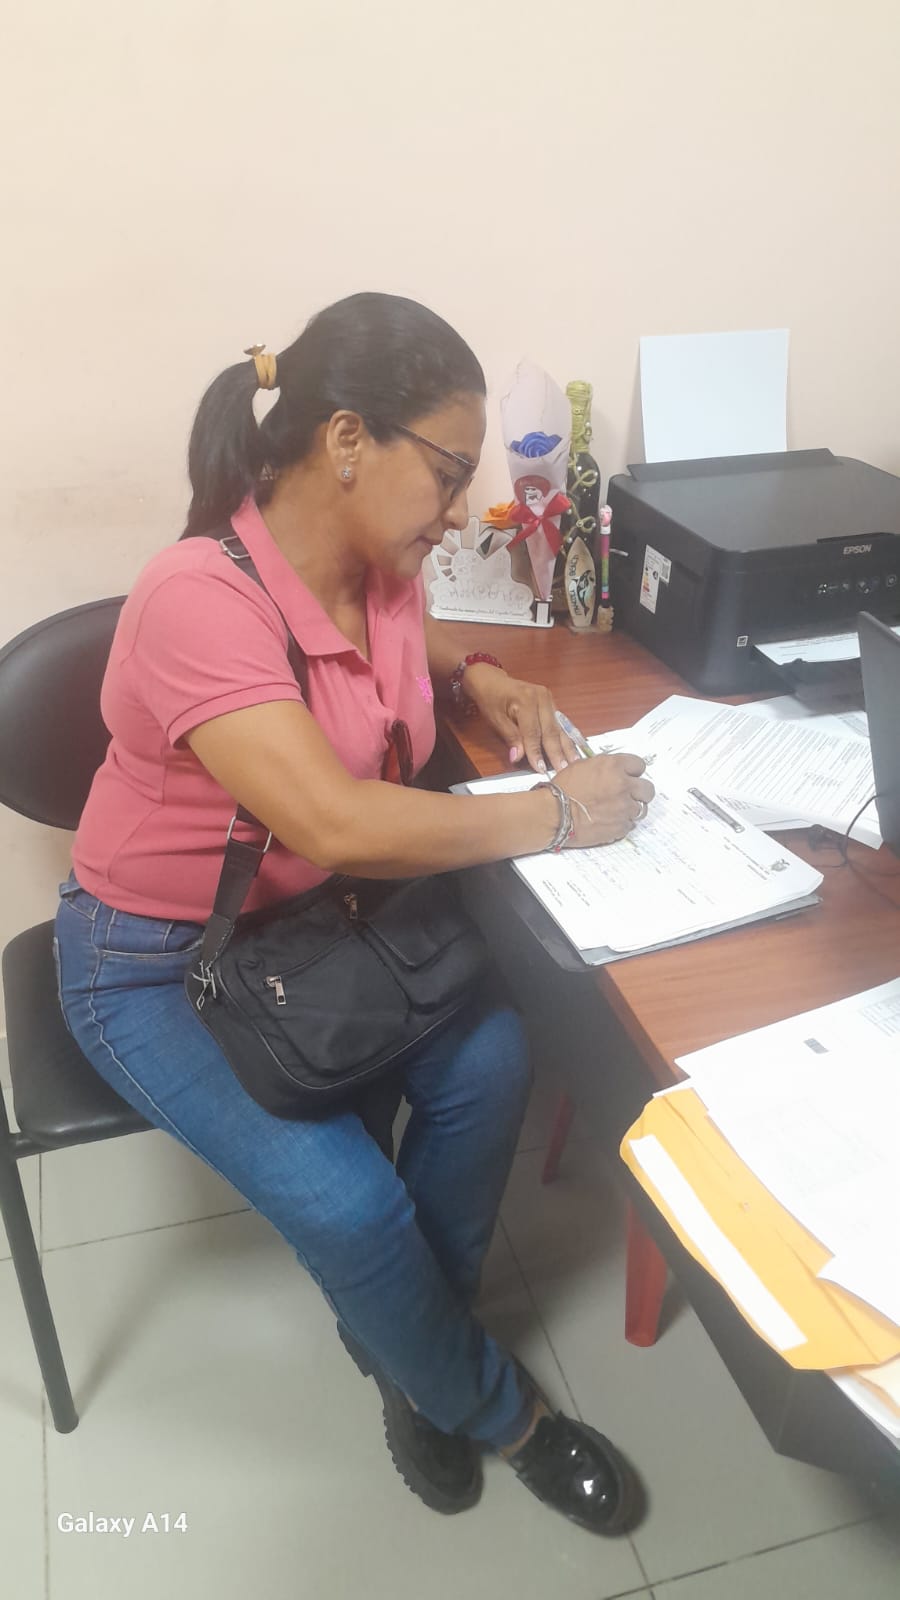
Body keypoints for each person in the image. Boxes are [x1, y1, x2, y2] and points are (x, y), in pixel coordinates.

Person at [54, 292, 655, 1535]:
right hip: (158, 963)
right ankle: (497, 1409)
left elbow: (406, 650)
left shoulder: (378, 569)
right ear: (344, 441)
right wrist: (560, 812)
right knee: (350, 1205)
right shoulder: (195, 597)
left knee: (494, 1060)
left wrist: (486, 672)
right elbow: (332, 820)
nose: (458, 510)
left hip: (318, 928)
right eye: (446, 471)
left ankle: (405, 1347)